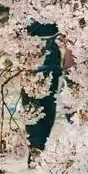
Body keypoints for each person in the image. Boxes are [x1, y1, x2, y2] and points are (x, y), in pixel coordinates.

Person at [21, 20, 63, 166]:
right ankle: (36, 149)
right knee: (35, 108)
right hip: (31, 60)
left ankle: (37, 149)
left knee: (46, 108)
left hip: (49, 59)